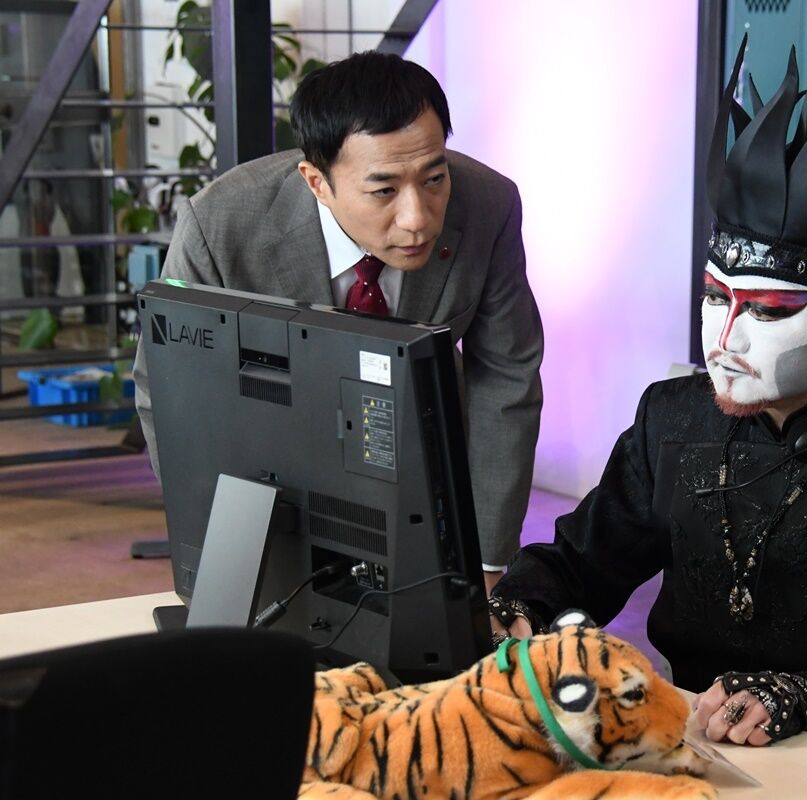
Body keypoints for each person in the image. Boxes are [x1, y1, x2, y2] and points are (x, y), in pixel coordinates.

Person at [487, 40, 807, 791]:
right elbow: (583, 561)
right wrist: (520, 605)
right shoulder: (675, 418)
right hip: (708, 757)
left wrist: (801, 698)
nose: (725, 339)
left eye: (767, 310)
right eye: (715, 297)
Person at [132, 52, 543, 588]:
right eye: (383, 190)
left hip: (420, 468)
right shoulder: (220, 225)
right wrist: (222, 549)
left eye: (434, 178)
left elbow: (505, 376)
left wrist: (486, 562)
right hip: (275, 468)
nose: (418, 219)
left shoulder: (489, 204)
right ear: (316, 182)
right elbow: (170, 391)